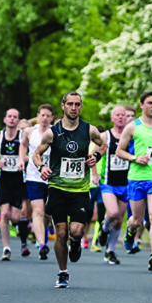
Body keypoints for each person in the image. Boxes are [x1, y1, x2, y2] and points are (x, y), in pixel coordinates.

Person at [33, 91, 106, 288]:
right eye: (70, 104)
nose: (74, 108)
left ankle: (76, 243)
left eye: (77, 104)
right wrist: (42, 168)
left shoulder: (89, 130)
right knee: (61, 232)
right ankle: (63, 272)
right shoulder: (52, 133)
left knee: (76, 231)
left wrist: (96, 157)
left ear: (81, 107)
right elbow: (37, 154)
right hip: (57, 187)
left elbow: (103, 144)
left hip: (80, 189)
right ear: (63, 106)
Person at [116, 92, 152, 271]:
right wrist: (134, 158)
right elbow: (119, 151)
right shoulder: (133, 127)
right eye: (149, 103)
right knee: (137, 220)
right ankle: (130, 232)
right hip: (137, 178)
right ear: (141, 105)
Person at [0, 108, 29, 260]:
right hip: (3, 179)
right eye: (9, 117)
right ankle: (6, 248)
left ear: (18, 121)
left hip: (19, 179)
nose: (12, 119)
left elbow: (30, 155)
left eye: (15, 117)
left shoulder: (23, 137)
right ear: (5, 120)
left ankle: (23, 238)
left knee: (15, 217)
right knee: (4, 213)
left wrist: (22, 160)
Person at [95, 106, 131, 264]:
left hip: (126, 183)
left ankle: (110, 251)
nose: (121, 117)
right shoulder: (105, 136)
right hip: (108, 183)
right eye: (118, 115)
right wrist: (94, 175)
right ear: (112, 118)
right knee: (113, 213)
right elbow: (94, 155)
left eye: (123, 115)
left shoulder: (131, 135)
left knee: (118, 220)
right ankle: (104, 229)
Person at [20, 104, 54, 259]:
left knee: (48, 214)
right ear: (38, 116)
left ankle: (42, 235)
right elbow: (23, 145)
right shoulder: (29, 131)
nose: (45, 118)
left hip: (52, 179)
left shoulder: (56, 132)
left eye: (48, 115)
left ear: (52, 117)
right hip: (34, 177)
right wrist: (22, 159)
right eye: (43, 115)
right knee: (38, 211)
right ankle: (42, 244)